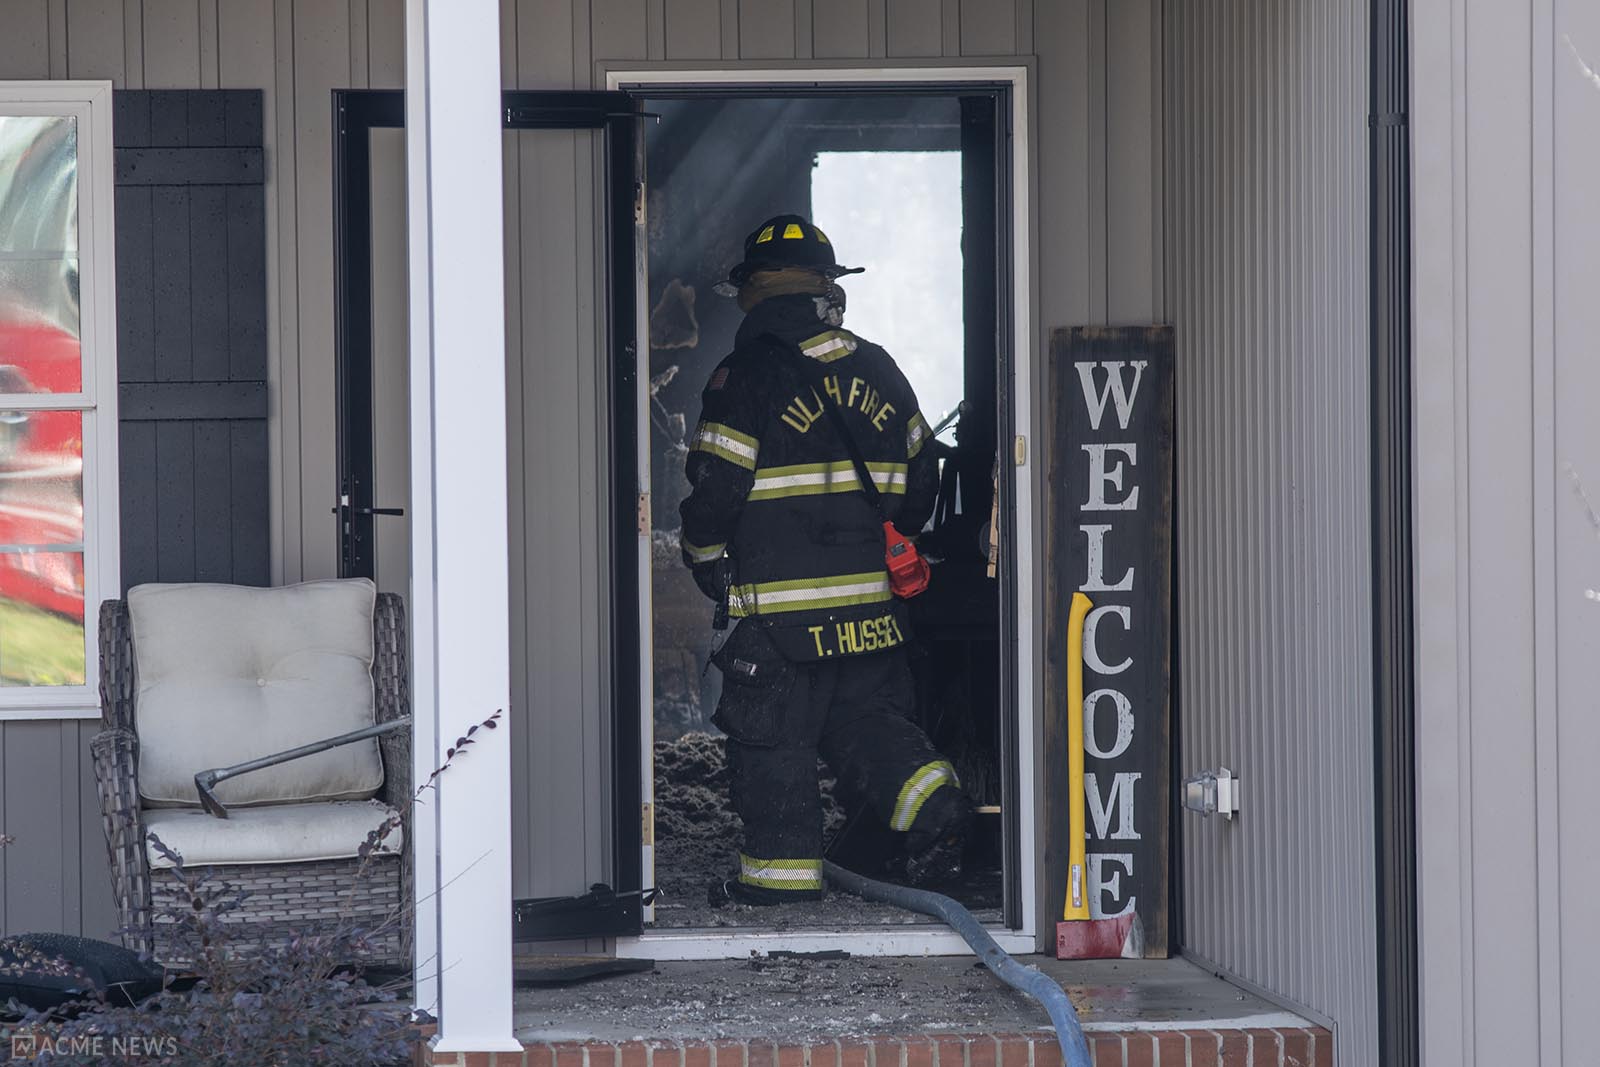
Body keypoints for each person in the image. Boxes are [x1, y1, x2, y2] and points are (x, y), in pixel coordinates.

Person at [679, 213, 974, 906]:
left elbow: (715, 494)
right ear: (828, 290)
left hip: (780, 628)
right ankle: (939, 813)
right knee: (872, 730)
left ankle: (776, 886)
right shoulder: (881, 370)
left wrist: (703, 560)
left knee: (772, 744)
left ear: (756, 292)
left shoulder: (743, 377)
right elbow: (921, 488)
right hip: (872, 618)